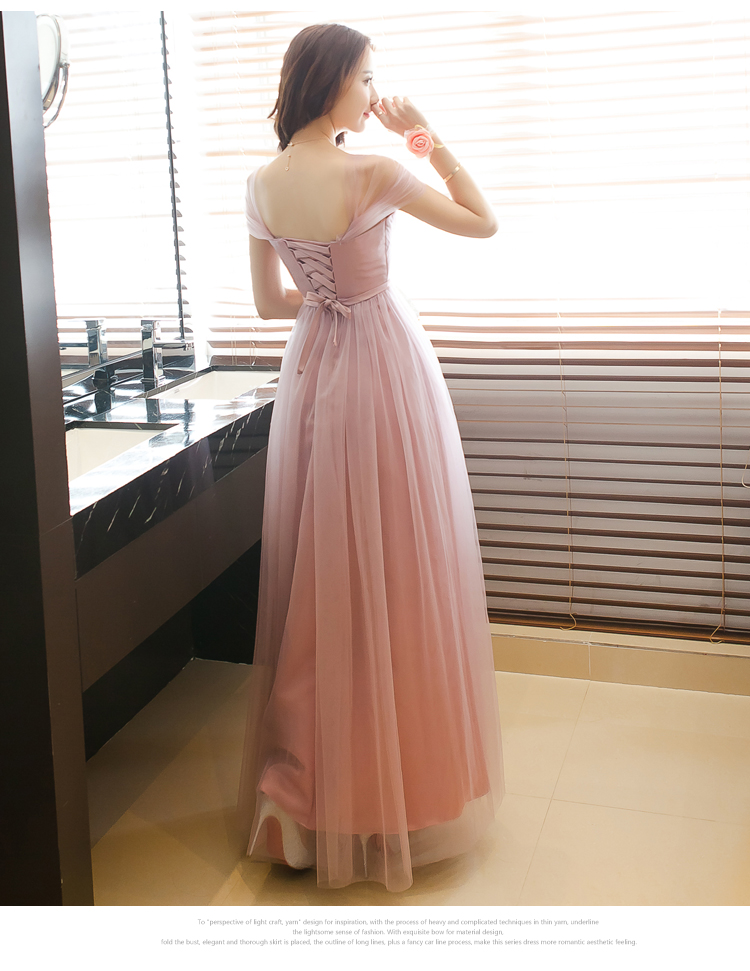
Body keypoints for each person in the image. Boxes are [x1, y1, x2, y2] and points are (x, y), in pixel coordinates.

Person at [237, 23, 504, 893]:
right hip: (384, 371)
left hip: (315, 371)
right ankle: (392, 787)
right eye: (365, 79)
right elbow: (482, 222)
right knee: (394, 572)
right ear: (332, 84)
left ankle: (297, 800)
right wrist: (422, 135)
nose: (373, 94)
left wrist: (327, 298)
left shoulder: (261, 184)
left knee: (323, 576)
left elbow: (269, 304)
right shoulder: (374, 172)